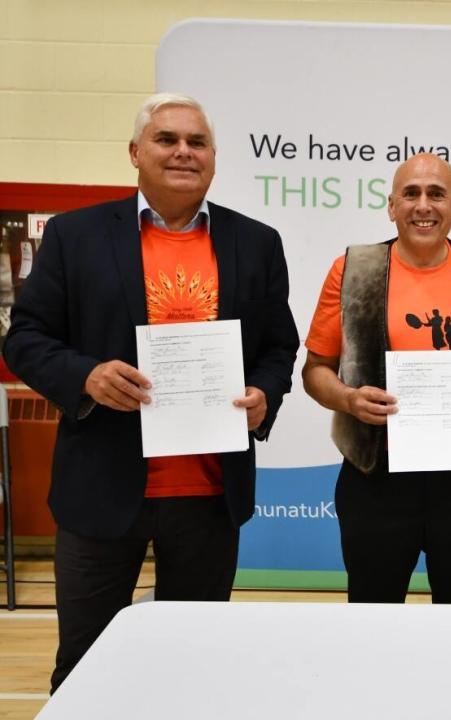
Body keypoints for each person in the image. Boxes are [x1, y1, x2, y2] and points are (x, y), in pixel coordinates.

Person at [3, 93, 299, 690]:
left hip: (209, 493)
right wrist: (84, 375)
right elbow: (25, 338)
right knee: (86, 668)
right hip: (101, 490)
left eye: (197, 142)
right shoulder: (74, 235)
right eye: (167, 140)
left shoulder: (256, 242)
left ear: (214, 158)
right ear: (136, 153)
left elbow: (278, 347)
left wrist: (264, 394)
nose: (183, 152)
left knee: (193, 669)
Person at [302, 153, 451, 603]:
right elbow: (314, 372)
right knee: (374, 611)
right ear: (391, 206)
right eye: (411, 193)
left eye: (436, 194)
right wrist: (349, 400)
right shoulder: (353, 268)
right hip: (376, 476)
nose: (423, 205)